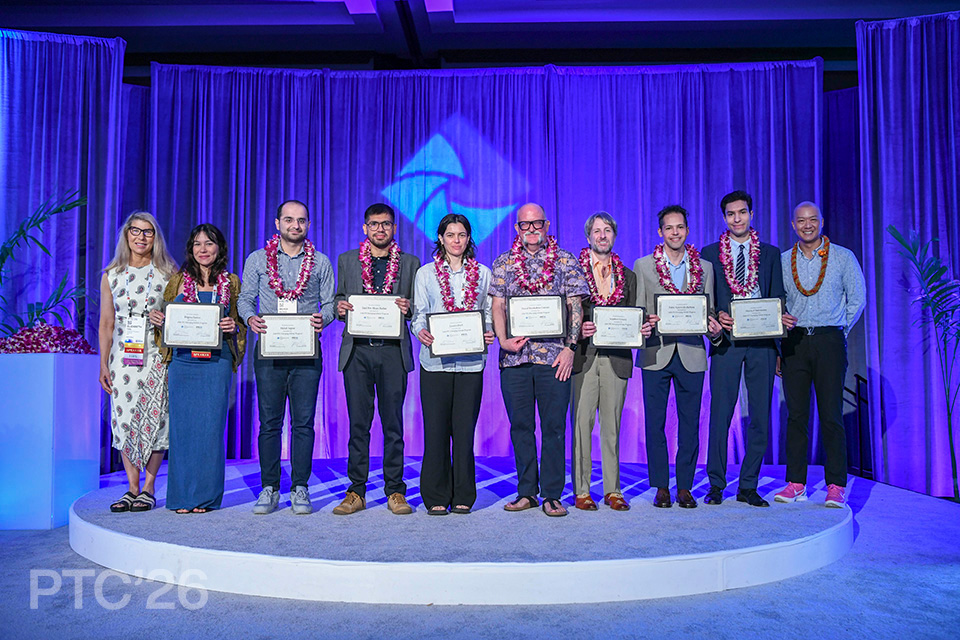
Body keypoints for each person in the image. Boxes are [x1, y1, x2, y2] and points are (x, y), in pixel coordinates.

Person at [489, 203, 589, 517]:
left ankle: (552, 494)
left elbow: (575, 307)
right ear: (517, 228)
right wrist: (503, 341)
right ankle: (526, 492)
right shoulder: (504, 262)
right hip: (514, 358)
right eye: (525, 225)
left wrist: (570, 348)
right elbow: (497, 306)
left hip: (555, 358)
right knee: (520, 427)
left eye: (537, 224)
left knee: (554, 428)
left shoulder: (565, 260)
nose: (531, 230)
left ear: (546, 225)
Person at [238, 200, 335, 515]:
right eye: (289, 220)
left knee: (303, 423)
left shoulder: (320, 262)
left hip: (307, 352)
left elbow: (330, 304)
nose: (296, 225)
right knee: (270, 422)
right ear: (277, 223)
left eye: (301, 220)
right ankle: (269, 487)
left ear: (308, 225)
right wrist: (250, 318)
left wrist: (325, 318)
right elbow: (244, 298)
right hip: (270, 351)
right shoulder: (257, 259)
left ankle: (300, 487)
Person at [775, 201, 865, 508]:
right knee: (796, 415)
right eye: (801, 220)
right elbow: (777, 303)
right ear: (793, 225)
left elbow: (857, 299)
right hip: (795, 342)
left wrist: (839, 330)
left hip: (829, 340)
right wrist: (779, 340)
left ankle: (836, 485)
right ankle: (795, 482)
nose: (807, 225)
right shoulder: (783, 261)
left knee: (831, 415)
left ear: (822, 222)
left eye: (812, 219)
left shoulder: (843, 257)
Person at [332, 203, 420, 516]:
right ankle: (356, 491)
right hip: (357, 350)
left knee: (393, 425)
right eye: (374, 224)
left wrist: (409, 308)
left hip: (393, 350)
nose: (379, 229)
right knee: (359, 424)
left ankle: (395, 490)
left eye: (385, 224)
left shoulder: (410, 263)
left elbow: (417, 308)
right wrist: (340, 307)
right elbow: (337, 298)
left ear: (394, 228)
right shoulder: (347, 260)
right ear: (365, 228)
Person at [152, 224, 246, 513]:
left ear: (219, 248)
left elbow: (241, 323)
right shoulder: (177, 281)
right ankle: (182, 496)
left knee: (210, 429)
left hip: (216, 363)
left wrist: (233, 326)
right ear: (190, 249)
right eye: (197, 244)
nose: (203, 249)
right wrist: (159, 320)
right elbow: (167, 320)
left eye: (209, 243)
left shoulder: (232, 282)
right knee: (182, 431)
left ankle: (205, 497)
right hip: (183, 363)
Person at [699, 191, 786, 507]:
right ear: (724, 218)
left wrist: (779, 345)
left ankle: (749, 484)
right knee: (721, 413)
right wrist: (716, 315)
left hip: (762, 344)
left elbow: (778, 297)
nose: (737, 218)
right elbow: (705, 300)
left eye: (742, 212)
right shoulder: (710, 254)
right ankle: (716, 483)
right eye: (731, 214)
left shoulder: (770, 253)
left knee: (760, 415)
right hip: (727, 343)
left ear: (751, 214)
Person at [634, 205, 723, 509]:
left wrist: (714, 331)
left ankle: (684, 486)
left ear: (687, 230)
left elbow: (709, 311)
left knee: (690, 424)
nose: (675, 232)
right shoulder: (643, 265)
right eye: (669, 228)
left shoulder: (705, 267)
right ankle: (661, 486)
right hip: (655, 353)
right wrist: (643, 325)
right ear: (660, 232)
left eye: (680, 227)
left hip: (691, 353)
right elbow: (638, 311)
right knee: (655, 423)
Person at [411, 214, 495, 515]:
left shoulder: (483, 274)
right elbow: (419, 314)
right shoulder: (425, 274)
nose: (456, 240)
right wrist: (419, 331)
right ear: (441, 238)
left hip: (471, 364)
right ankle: (435, 494)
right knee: (435, 431)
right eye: (450, 235)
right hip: (435, 364)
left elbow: (488, 312)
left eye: (461, 235)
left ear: (469, 238)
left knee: (463, 432)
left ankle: (463, 494)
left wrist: (489, 331)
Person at [99, 212, 178, 513]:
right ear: (126, 234)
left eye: (148, 232)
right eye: (136, 231)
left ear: (155, 237)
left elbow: (182, 315)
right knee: (125, 420)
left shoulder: (168, 272)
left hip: (156, 355)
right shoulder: (111, 274)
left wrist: (165, 318)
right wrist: (103, 364)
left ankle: (149, 487)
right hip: (122, 358)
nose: (141, 237)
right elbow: (106, 323)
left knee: (156, 420)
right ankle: (131, 488)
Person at [571, 212, 638, 512]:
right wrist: (577, 328)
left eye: (607, 230)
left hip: (616, 358)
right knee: (581, 425)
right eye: (596, 231)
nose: (602, 235)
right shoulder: (573, 272)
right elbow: (564, 313)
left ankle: (613, 489)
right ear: (588, 237)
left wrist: (640, 328)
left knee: (612, 426)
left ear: (614, 235)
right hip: (584, 357)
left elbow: (635, 315)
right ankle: (582, 490)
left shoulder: (629, 276)